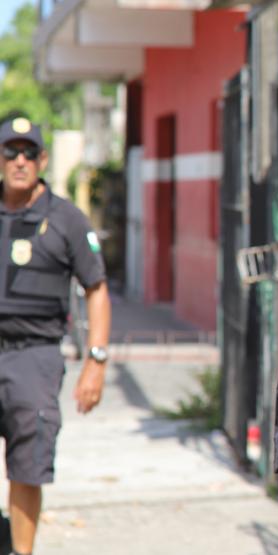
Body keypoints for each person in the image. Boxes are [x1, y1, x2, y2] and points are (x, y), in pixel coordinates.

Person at [0, 116, 111, 555]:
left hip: (35, 355)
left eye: (29, 152)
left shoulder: (66, 218)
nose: (20, 160)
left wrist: (96, 362)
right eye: (11, 151)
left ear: (42, 160)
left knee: (27, 468)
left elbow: (96, 288)